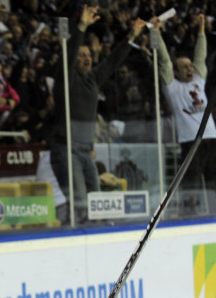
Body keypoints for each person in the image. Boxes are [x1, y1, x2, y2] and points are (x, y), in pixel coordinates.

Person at [48, 5, 145, 223]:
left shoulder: (92, 79)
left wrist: (132, 35)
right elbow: (69, 53)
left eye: (89, 55)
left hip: (85, 151)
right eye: (82, 55)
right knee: (81, 203)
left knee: (97, 204)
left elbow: (112, 61)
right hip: (66, 150)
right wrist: (82, 26)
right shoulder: (65, 78)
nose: (87, 58)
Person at [151, 14, 216, 213]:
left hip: (212, 140)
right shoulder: (172, 87)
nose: (190, 68)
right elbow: (165, 62)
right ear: (176, 72)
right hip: (191, 143)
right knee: (190, 188)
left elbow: (200, 55)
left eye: (190, 65)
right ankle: (189, 218)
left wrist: (201, 29)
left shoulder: (199, 82)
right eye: (184, 66)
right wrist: (157, 33)